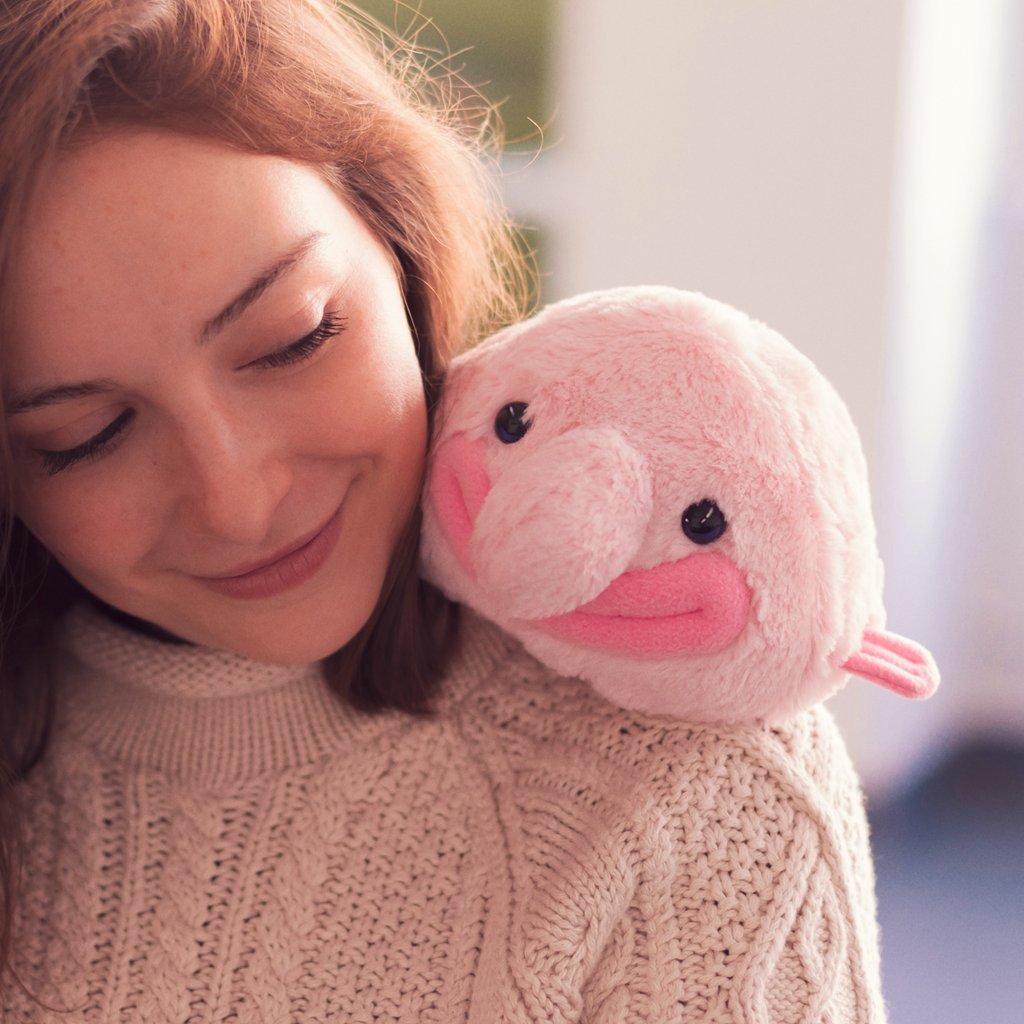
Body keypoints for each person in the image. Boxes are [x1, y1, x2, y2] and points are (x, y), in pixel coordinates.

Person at [0, 1, 888, 1020]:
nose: (238, 500)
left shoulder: (687, 779)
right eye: (82, 435)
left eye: (293, 338)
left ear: (400, 243)